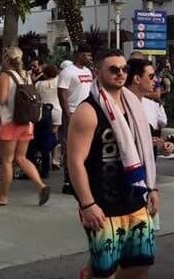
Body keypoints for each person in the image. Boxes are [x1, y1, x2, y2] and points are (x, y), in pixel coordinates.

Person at [67, 49, 159, 279]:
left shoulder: (132, 105)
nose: (120, 73)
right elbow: (75, 161)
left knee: (141, 263)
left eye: (124, 69)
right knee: (105, 271)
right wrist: (88, 204)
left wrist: (152, 187)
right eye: (113, 69)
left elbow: (142, 150)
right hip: (103, 204)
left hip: (136, 197)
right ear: (98, 73)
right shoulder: (88, 111)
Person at [0, 46, 50, 207]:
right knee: (21, 158)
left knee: (6, 161)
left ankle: (2, 197)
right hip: (26, 122)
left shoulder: (5, 76)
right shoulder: (26, 75)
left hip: (9, 122)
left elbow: (1, 100)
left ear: (6, 59)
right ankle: (41, 185)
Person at [58, 44, 94, 194]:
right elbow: (62, 94)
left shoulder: (88, 71)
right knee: (70, 148)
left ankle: (84, 179)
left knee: (87, 147)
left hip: (86, 114)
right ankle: (69, 182)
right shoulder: (67, 72)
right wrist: (68, 114)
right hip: (72, 113)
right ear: (79, 55)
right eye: (87, 55)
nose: (90, 58)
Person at [127, 59, 174, 159]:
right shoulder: (118, 106)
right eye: (151, 76)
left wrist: (162, 145)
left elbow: (154, 137)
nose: (156, 80)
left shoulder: (152, 106)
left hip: (148, 167)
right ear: (137, 79)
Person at [32, 64, 63, 178]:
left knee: (45, 136)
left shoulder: (39, 84)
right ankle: (55, 160)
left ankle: (45, 157)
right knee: (55, 134)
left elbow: (37, 98)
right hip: (58, 110)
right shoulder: (58, 82)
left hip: (44, 112)